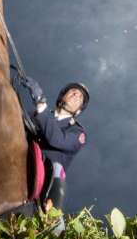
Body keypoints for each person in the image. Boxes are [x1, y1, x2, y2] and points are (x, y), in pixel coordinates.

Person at [20, 78, 89, 215]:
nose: (76, 95)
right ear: (62, 96)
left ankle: (53, 222)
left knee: (57, 169)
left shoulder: (78, 132)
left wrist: (41, 104)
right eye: (73, 92)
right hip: (23, 164)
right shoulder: (36, 115)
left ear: (79, 111)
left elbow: (57, 140)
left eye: (80, 97)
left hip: (47, 181)